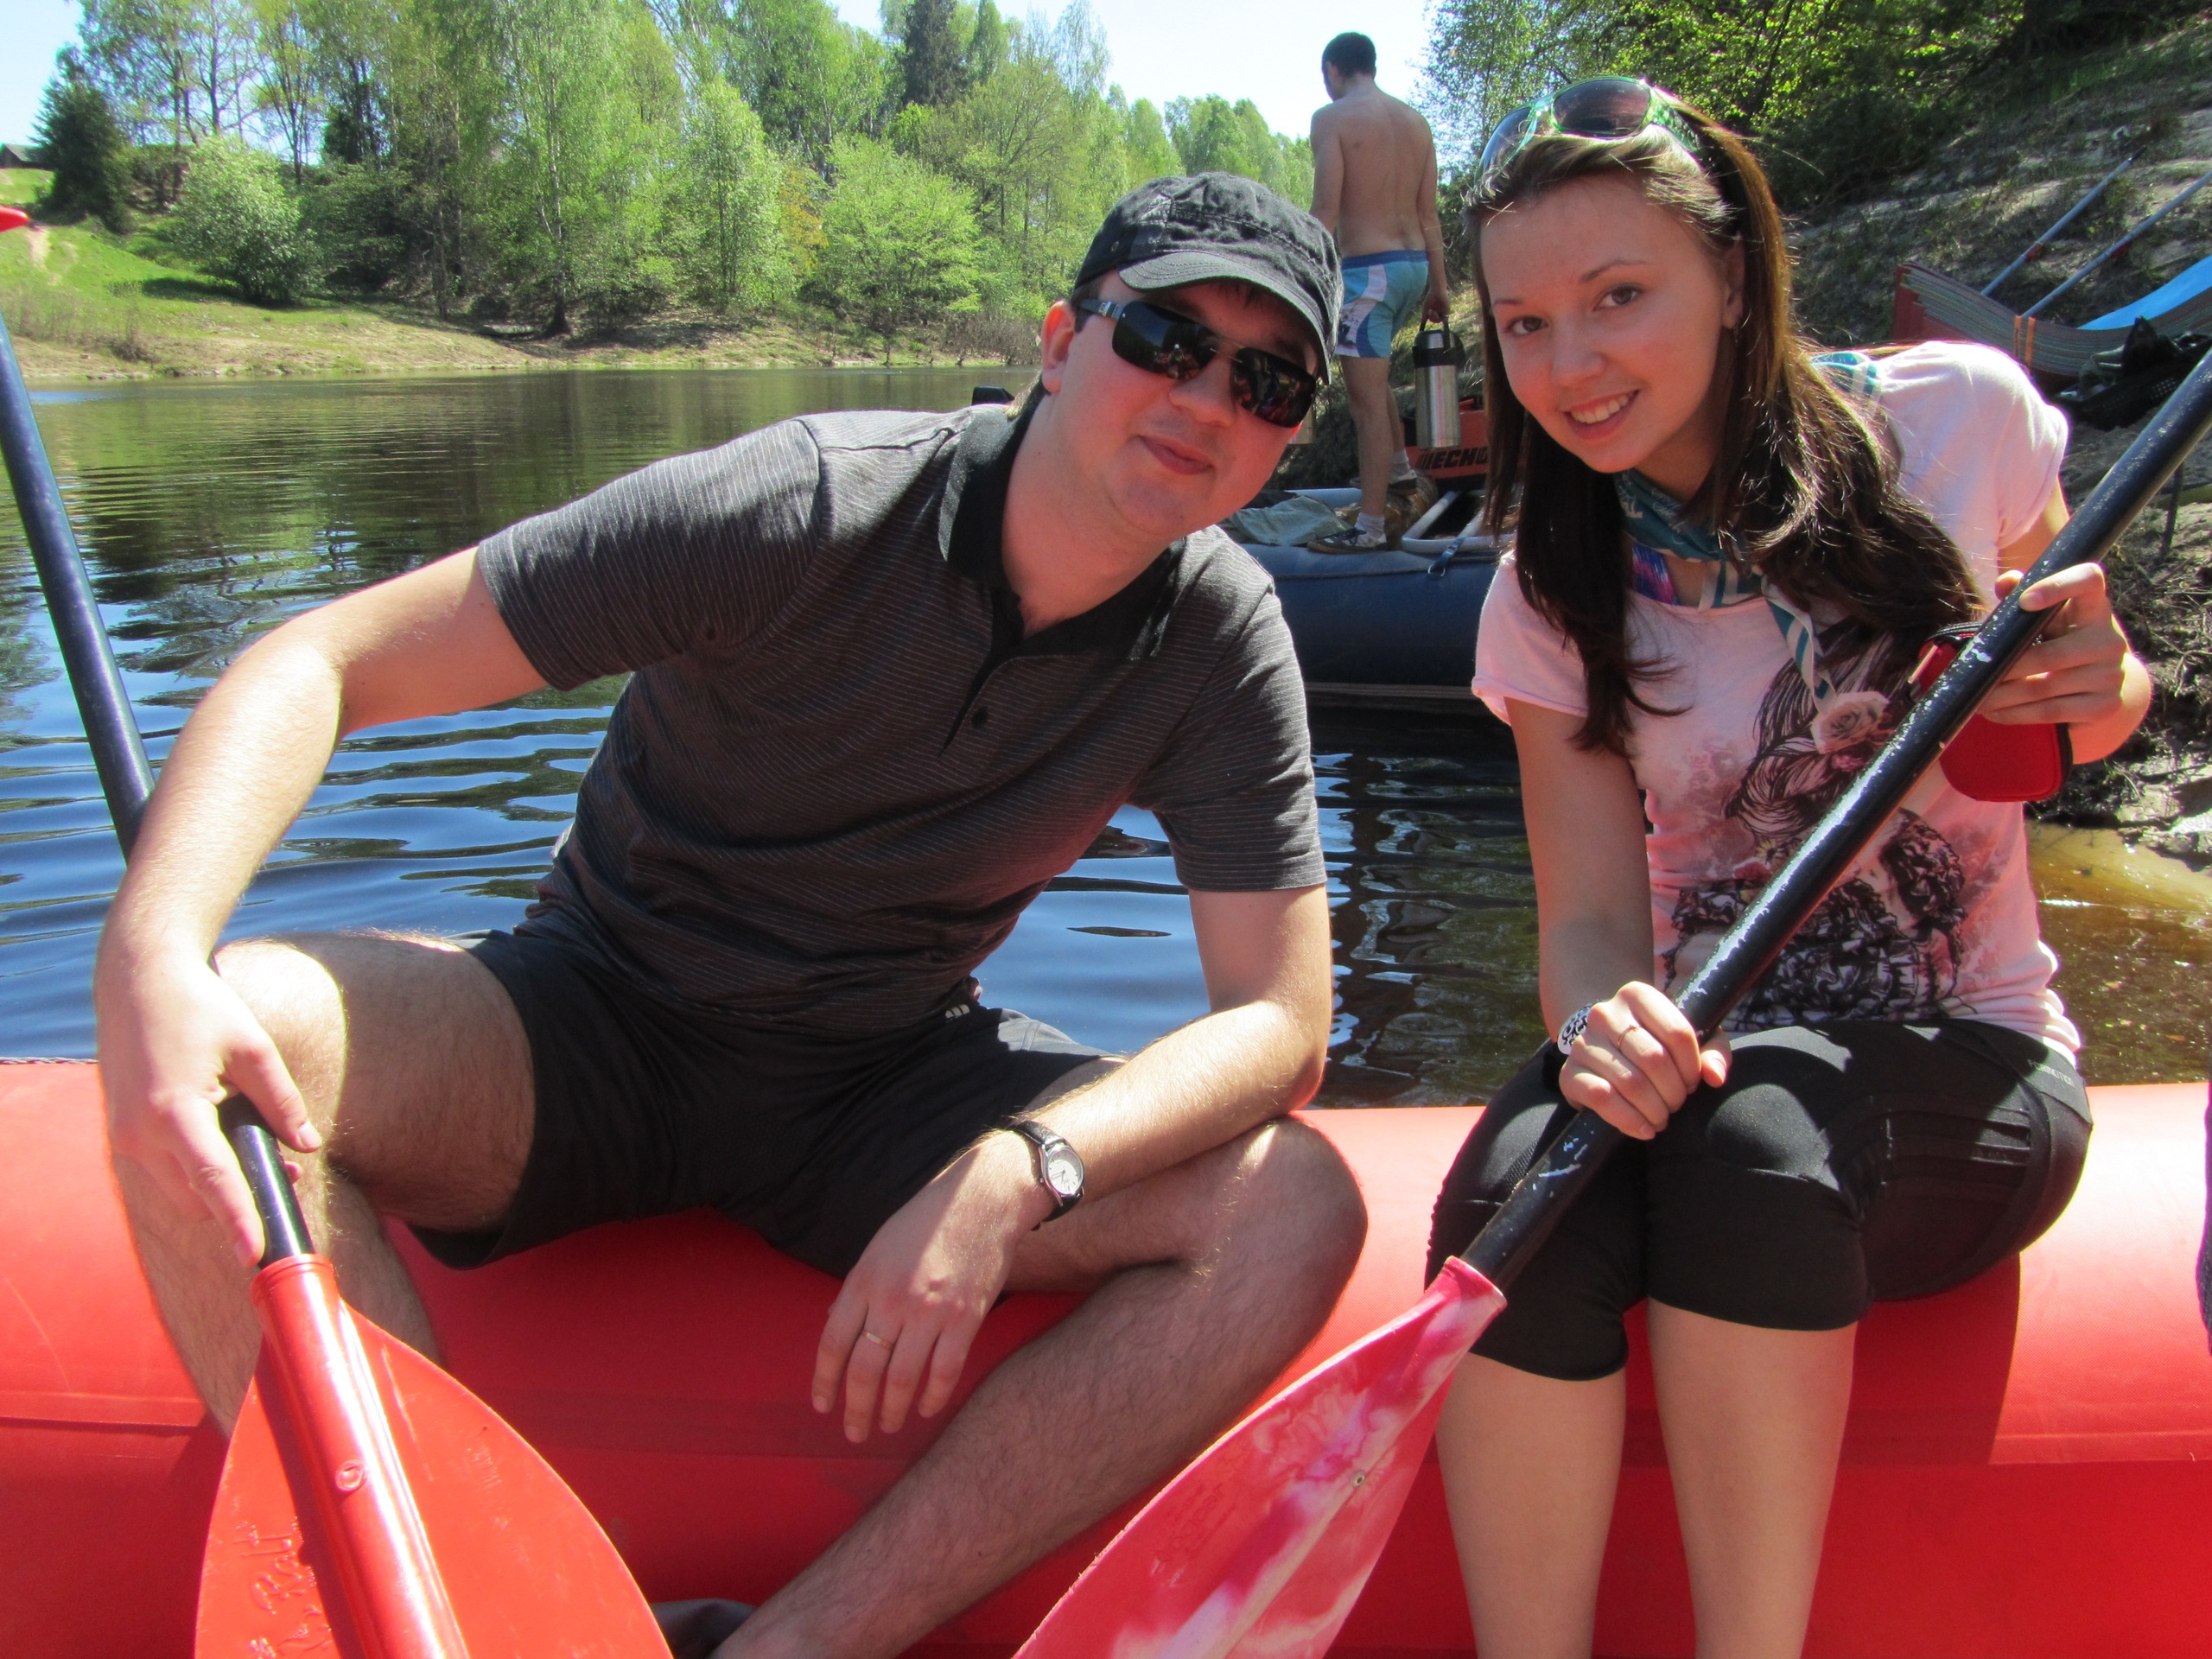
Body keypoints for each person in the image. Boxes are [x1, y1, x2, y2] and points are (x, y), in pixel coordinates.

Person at [94, 173, 1368, 1659]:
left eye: (1266, 381)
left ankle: (792, 1647)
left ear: (1289, 433)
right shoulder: (804, 507)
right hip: (590, 1026)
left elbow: (1280, 1020)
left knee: (1293, 1209)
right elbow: (323, 661)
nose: (1204, 398)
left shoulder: (1219, 636)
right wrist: (151, 953)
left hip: (877, 1081)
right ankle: (467, 1625)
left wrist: (1022, 1169)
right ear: (1058, 339)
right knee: (240, 1037)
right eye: (1163, 338)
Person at [1425, 80, 2151, 1658]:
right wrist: (1600, 1028)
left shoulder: (1960, 421)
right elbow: (1594, 921)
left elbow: (2077, 708)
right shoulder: (1548, 590)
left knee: (1754, 1137)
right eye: (1526, 324)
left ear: (1735, 275)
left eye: (1619, 297)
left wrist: (2104, 683)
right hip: (1712, 1054)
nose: (1569, 364)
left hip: (1972, 1060)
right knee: (1510, 1185)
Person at [1307, 29, 1451, 551]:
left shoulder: (1332, 119)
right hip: (1413, 268)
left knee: (1364, 402)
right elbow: (1429, 215)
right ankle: (1399, 472)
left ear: (1332, 70)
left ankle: (1368, 529)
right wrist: (1440, 285)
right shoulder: (1415, 122)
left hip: (1369, 272)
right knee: (1375, 375)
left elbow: (1325, 211)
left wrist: (1300, 272)